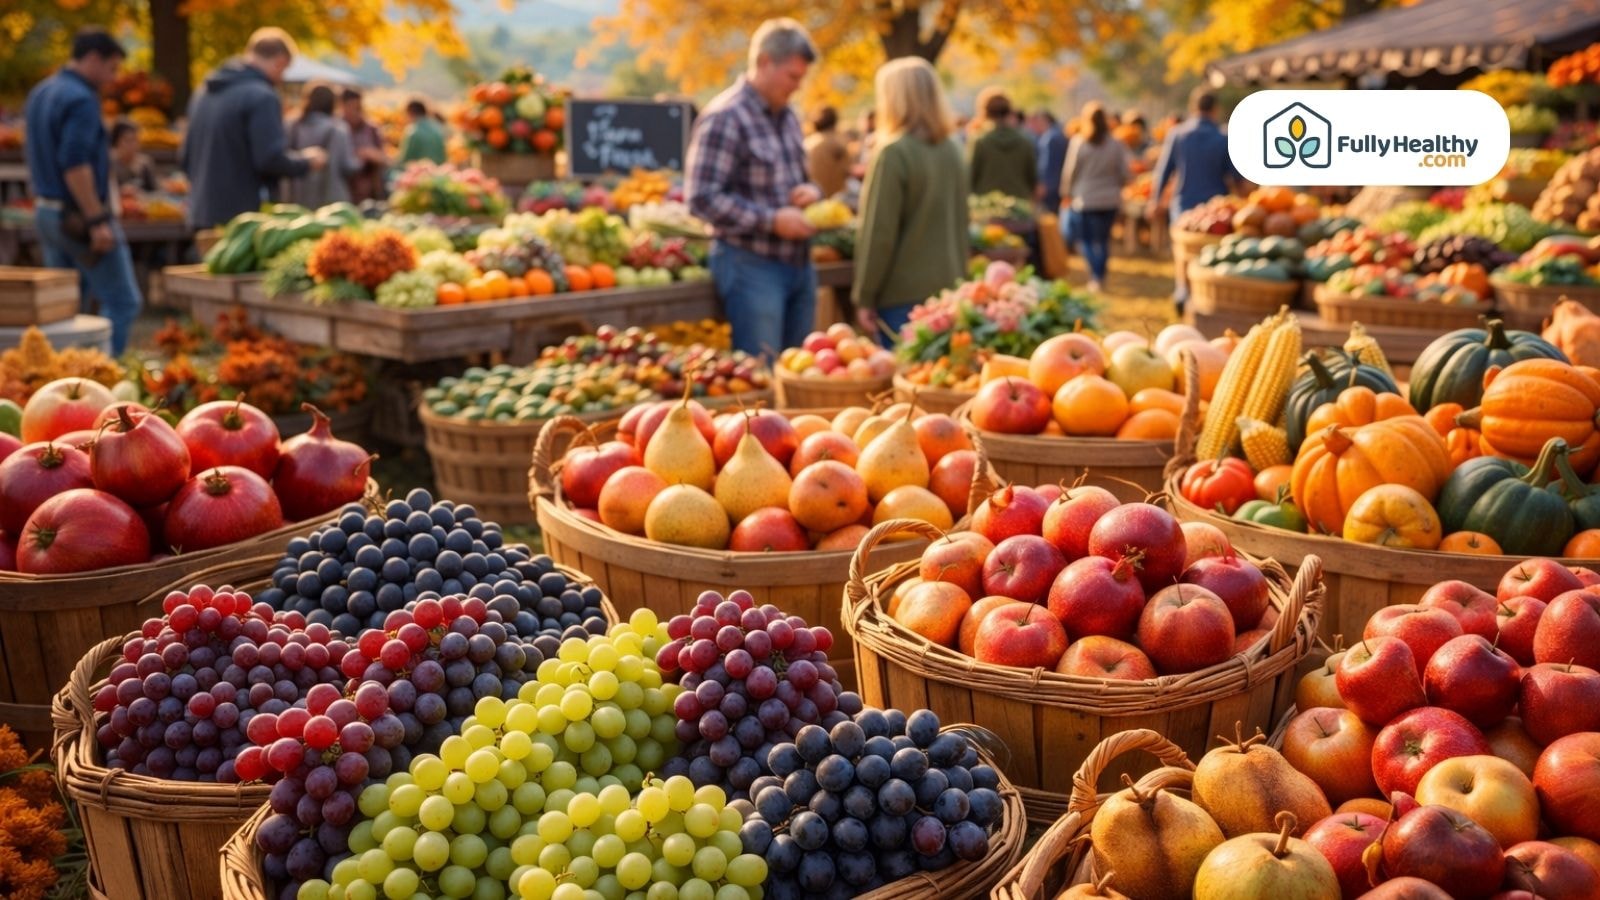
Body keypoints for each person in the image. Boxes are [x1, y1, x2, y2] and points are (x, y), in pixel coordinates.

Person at [686, 18, 821, 357]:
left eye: (801, 78)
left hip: (798, 265)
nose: (797, 86)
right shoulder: (726, 117)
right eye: (792, 76)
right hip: (751, 265)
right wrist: (771, 220)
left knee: (798, 372)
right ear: (764, 63)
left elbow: (797, 180)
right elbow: (701, 198)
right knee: (762, 374)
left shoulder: (788, 117)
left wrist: (810, 192)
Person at [23, 28, 142, 355]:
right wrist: (96, 219)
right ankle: (100, 379)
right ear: (92, 58)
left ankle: (60, 380)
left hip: (47, 210)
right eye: (111, 68)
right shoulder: (81, 98)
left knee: (62, 309)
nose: (112, 78)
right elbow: (74, 163)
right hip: (77, 216)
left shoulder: (41, 92)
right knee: (122, 300)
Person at [851, 58, 968, 346]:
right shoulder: (953, 150)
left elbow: (879, 232)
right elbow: (963, 220)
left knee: (906, 385)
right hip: (950, 286)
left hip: (903, 294)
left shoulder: (893, 153)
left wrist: (864, 296)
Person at [183, 28, 326, 229]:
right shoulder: (262, 97)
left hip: (201, 213)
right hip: (243, 221)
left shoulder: (203, 93)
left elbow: (185, 157)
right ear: (280, 60)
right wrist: (306, 161)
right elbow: (269, 159)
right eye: (283, 70)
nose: (281, 78)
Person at [1149, 88, 1239, 305]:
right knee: (1209, 255)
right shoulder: (1222, 137)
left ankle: (1182, 292)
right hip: (1215, 207)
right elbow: (1235, 175)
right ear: (1215, 110)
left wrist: (1155, 200)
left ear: (1193, 107)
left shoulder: (1177, 134)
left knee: (1183, 250)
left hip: (1183, 202)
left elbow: (1164, 171)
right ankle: (1204, 297)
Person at [1060, 102, 1130, 293]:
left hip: (1085, 200)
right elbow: (1124, 173)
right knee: (1103, 240)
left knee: (1087, 241)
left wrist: (1066, 193)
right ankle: (1100, 274)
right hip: (1109, 200)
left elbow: (1070, 172)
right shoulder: (1115, 145)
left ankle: (1096, 275)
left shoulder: (1079, 142)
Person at [284, 85, 362, 208]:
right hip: (331, 202)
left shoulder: (290, 126)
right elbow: (348, 166)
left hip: (295, 198)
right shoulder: (338, 129)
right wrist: (361, 159)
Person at [968, 91, 1036, 202]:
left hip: (987, 206)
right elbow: (1032, 178)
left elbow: (971, 176)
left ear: (985, 111)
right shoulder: (1024, 141)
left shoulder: (980, 141)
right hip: (1018, 206)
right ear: (1009, 111)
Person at [339, 88, 389, 204]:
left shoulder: (371, 129)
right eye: (353, 108)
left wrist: (371, 154)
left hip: (369, 194)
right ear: (343, 106)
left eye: (359, 108)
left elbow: (386, 160)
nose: (357, 112)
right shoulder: (336, 129)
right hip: (343, 193)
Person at [804, 106, 850, 198]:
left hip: (812, 196)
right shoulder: (838, 143)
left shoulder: (807, 143)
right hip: (834, 198)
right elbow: (847, 170)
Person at [1029, 109, 1067, 213]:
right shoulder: (1058, 134)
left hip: (1051, 187)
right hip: (1059, 184)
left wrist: (1044, 185)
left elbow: (1047, 165)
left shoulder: (1049, 138)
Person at [109, 119, 157, 192]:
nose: (132, 145)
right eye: (127, 141)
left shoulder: (145, 163)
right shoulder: (110, 164)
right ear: (116, 142)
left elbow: (154, 190)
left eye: (135, 140)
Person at [398, 98, 447, 165]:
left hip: (419, 171)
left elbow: (404, 160)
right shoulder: (438, 128)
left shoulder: (412, 131)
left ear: (410, 112)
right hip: (439, 170)